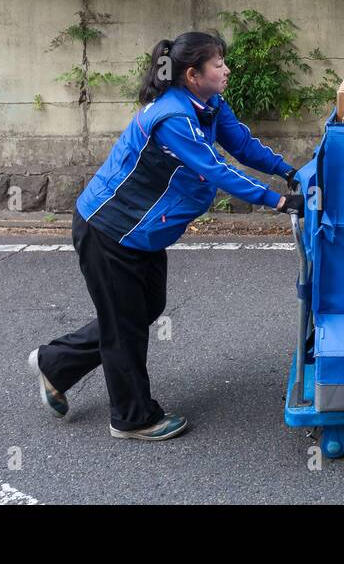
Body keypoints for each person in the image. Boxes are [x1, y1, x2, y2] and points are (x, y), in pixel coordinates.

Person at [26, 32, 304, 441]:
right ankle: (132, 418)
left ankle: (57, 361)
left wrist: (289, 171)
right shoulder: (174, 118)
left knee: (145, 307)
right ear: (193, 75)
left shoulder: (208, 105)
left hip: (141, 234)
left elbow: (242, 145)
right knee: (126, 327)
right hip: (109, 229)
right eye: (218, 64)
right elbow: (215, 169)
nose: (226, 70)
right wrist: (276, 202)